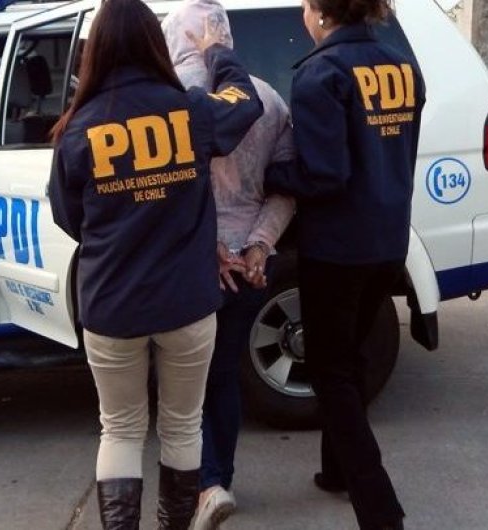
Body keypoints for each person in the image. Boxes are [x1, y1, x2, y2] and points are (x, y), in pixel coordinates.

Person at [48, 0, 263, 527]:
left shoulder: (77, 128)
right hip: (187, 301)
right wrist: (218, 53)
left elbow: (69, 217)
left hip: (111, 303)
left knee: (120, 429)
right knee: (182, 426)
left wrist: (118, 238)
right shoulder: (192, 111)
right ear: (155, 45)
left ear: (96, 51)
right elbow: (246, 102)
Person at [265, 1, 426, 529]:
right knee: (349, 357)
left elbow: (323, 175)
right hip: (389, 241)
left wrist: (268, 174)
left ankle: (380, 511)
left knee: (330, 372)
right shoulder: (401, 65)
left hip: (338, 249)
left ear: (320, 13)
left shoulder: (321, 74)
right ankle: (335, 471)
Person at [160, 2, 296, 528]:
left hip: (191, 261)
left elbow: (166, 196)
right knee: (223, 375)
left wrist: (211, 245)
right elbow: (285, 188)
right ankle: (219, 480)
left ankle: (207, 483)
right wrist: (258, 247)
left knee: (183, 380)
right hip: (251, 268)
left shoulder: (169, 101)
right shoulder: (266, 97)